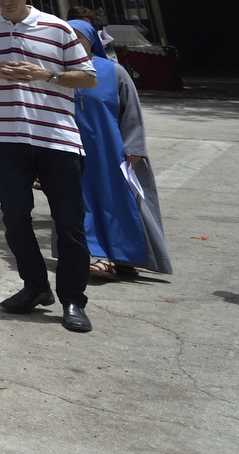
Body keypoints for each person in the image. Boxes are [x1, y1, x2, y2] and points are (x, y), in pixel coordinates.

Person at [0, 0, 99, 333]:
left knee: (69, 223)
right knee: (14, 218)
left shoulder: (57, 28)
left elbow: (88, 78)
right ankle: (35, 286)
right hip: (8, 137)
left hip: (56, 136)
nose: (5, 3)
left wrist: (49, 75)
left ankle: (73, 299)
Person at [68, 18, 166, 282]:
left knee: (118, 201)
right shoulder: (56, 73)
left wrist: (133, 146)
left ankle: (124, 257)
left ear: (92, 40)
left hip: (111, 150)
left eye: (79, 36)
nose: (74, 42)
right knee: (81, 201)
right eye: (68, 37)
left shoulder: (113, 71)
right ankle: (97, 255)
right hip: (71, 149)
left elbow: (131, 112)